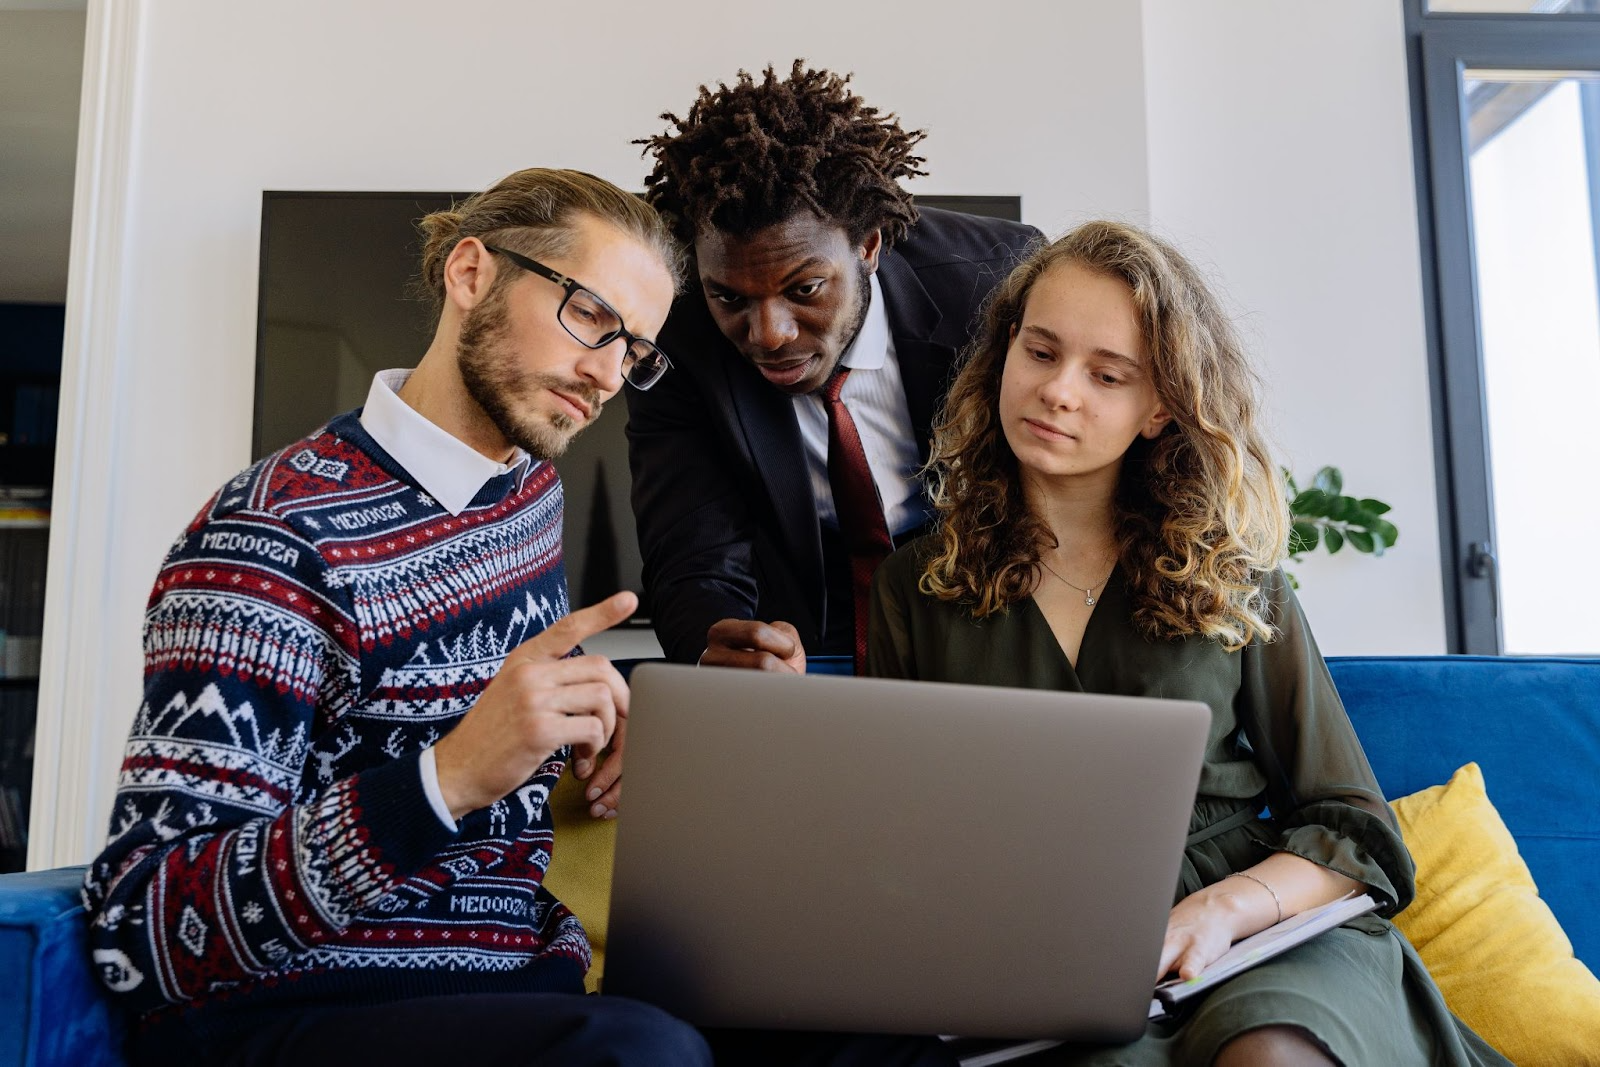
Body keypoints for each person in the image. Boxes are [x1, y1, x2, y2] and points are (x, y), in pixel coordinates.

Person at [81, 168, 713, 1067]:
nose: (608, 373)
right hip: (302, 1007)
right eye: (591, 317)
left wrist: (586, 719)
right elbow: (145, 928)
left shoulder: (527, 494)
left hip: (514, 987)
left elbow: (461, 707)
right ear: (470, 274)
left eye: (635, 350)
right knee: (642, 1054)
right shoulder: (268, 537)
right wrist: (448, 776)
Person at [867, 222, 1511, 1066]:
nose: (1059, 391)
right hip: (1054, 955)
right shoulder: (919, 584)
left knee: (1272, 1054)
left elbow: (1355, 828)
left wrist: (1223, 911)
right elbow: (898, 835)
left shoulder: (1235, 579)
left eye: (1107, 375)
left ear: (1160, 407)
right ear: (1004, 357)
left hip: (1262, 936)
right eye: (1041, 352)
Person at [629, 61, 1040, 672]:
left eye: (805, 289)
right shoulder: (672, 330)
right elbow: (694, 554)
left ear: (869, 246)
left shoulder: (996, 281)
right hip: (804, 628)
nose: (769, 335)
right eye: (730, 298)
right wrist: (722, 651)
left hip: (989, 613)